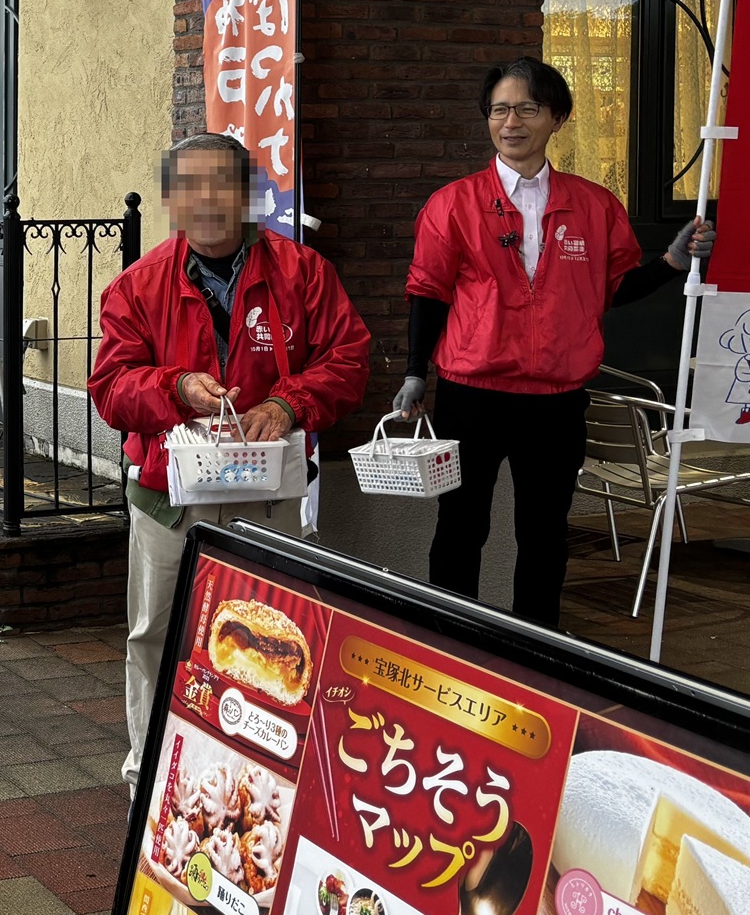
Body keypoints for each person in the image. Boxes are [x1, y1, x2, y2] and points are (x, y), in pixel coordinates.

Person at [91, 133, 373, 787]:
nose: (208, 199)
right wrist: (176, 388)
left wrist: (287, 402)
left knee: (271, 641)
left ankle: (258, 778)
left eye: (223, 182)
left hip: (267, 495)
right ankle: (151, 779)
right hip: (168, 498)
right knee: (157, 637)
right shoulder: (138, 285)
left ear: (248, 194)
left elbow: (349, 360)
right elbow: (110, 386)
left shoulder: (303, 272)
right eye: (190, 184)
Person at [396, 56, 711, 627]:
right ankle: (450, 640)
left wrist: (670, 261)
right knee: (461, 524)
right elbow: (428, 290)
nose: (510, 122)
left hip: (557, 399)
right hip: (473, 392)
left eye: (526, 109)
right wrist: (417, 370)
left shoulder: (594, 204)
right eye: (499, 110)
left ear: (557, 117)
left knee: (544, 531)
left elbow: (613, 286)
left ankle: (535, 642)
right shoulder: (454, 203)